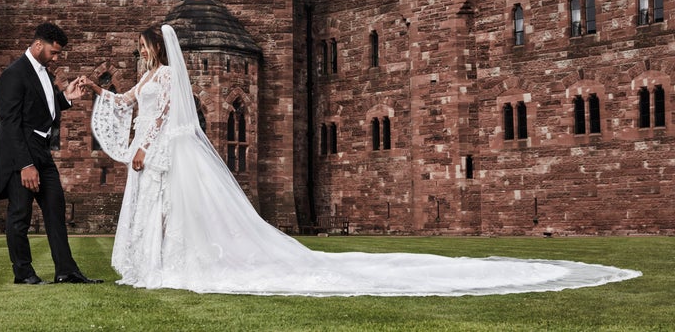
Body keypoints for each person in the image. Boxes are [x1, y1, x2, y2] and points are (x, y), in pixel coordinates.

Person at [86, 24, 640, 296]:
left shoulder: (167, 75)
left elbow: (161, 116)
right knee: (165, 211)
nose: (139, 54)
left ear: (156, 49)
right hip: (156, 152)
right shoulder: (145, 78)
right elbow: (128, 103)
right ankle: (155, 266)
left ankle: (173, 266)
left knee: (181, 211)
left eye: (142, 47)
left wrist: (140, 146)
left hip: (162, 150)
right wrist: (96, 92)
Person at [0, 22, 103, 285]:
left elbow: (42, 108)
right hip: (19, 151)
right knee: (20, 213)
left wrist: (66, 97)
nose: (56, 57)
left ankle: (66, 271)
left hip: (42, 151)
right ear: (38, 44)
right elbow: (10, 124)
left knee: (55, 209)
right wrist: (25, 165)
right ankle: (24, 274)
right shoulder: (14, 74)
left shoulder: (43, 72)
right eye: (54, 52)